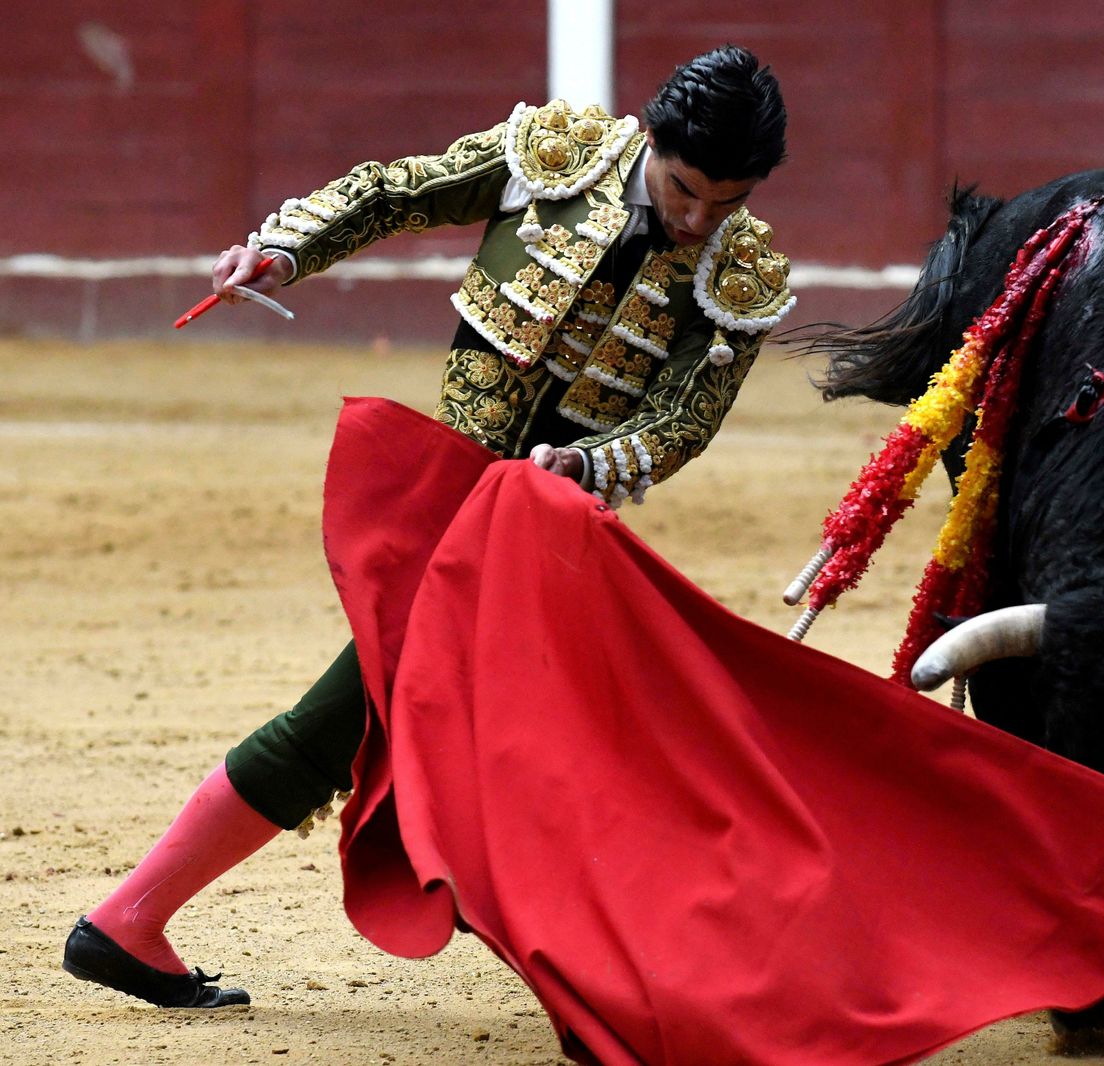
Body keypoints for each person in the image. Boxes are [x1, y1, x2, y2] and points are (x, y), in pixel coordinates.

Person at [63, 44, 792, 1009]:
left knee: (470, 727)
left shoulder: (742, 276)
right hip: (444, 501)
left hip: (549, 533)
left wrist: (588, 463)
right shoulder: (557, 155)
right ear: (650, 136)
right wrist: (288, 248)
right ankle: (129, 920)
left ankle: (134, 919)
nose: (700, 220)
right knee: (413, 721)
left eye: (725, 203)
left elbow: (682, 419)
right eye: (687, 189)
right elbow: (395, 192)